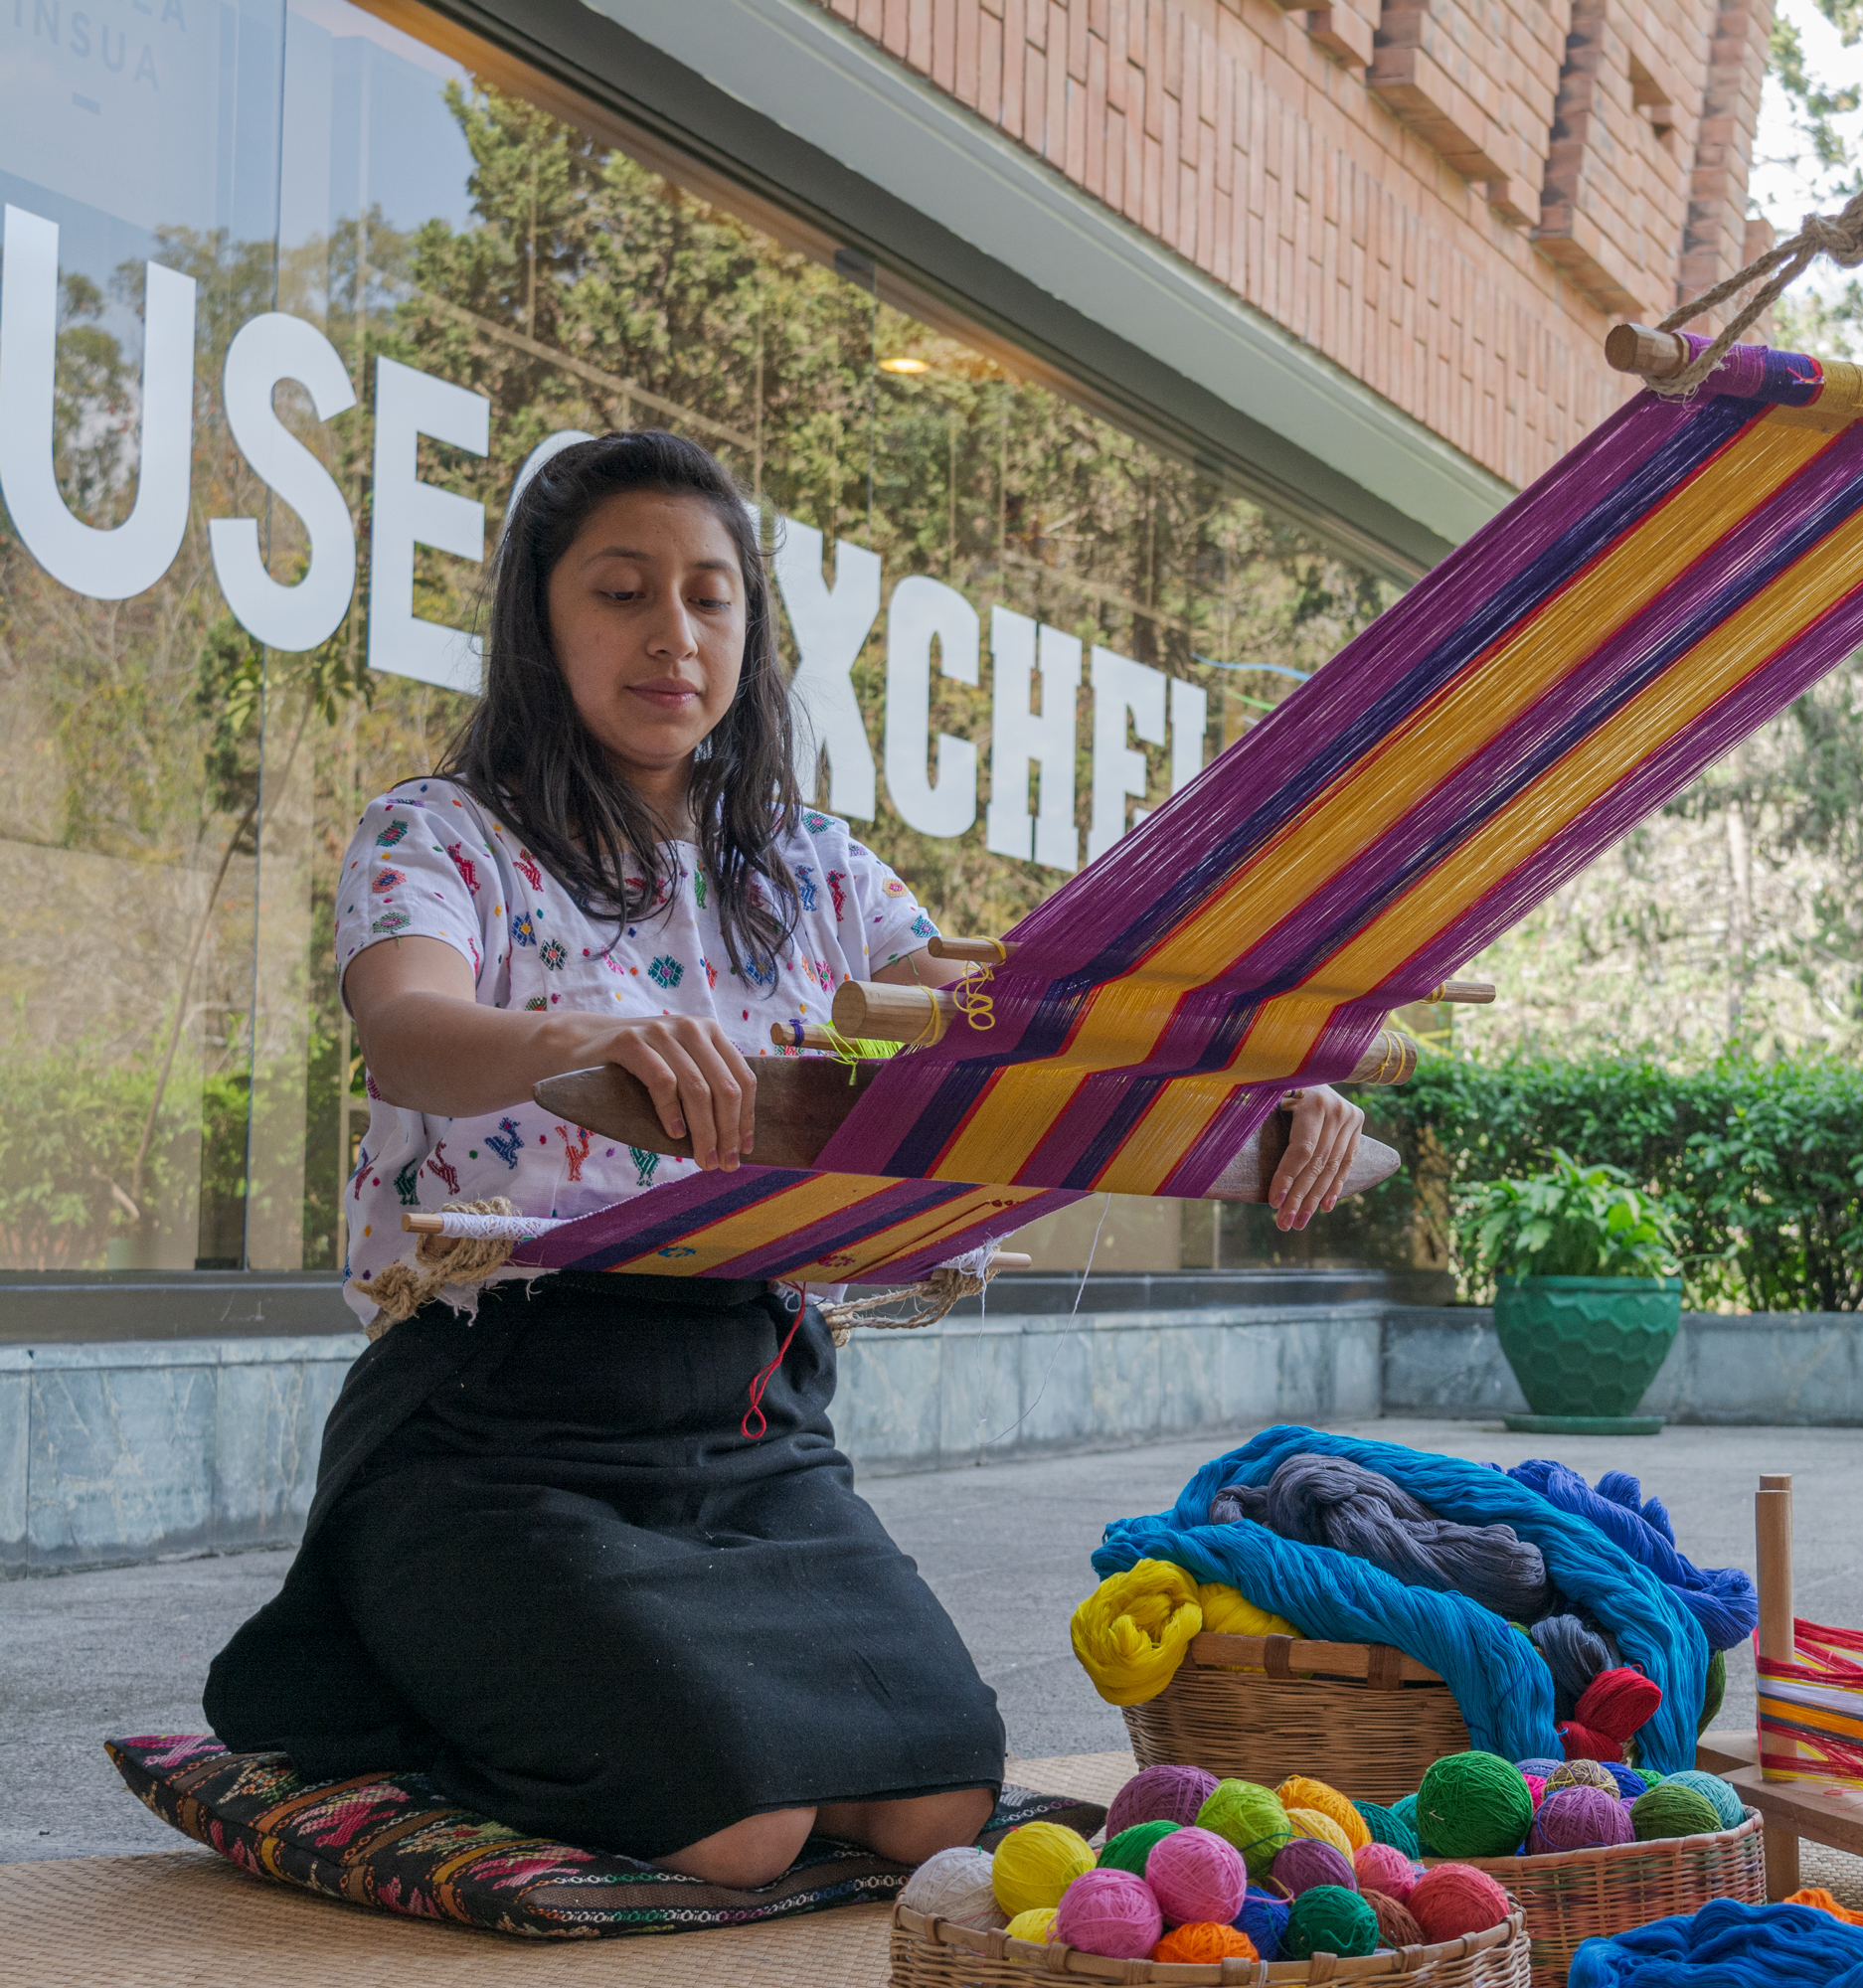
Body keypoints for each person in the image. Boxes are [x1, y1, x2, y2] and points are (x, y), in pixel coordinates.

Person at [204, 430, 1364, 1887]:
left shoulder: (813, 870)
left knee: (936, 1799)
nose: (670, 635)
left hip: (749, 1429)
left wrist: (1273, 1088)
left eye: (709, 597)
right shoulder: (439, 836)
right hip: (489, 1431)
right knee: (736, 1831)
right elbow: (413, 1032)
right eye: (621, 593)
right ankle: (391, 1679)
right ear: (539, 622)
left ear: (752, 633)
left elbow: (1046, 1034)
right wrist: (594, 1029)